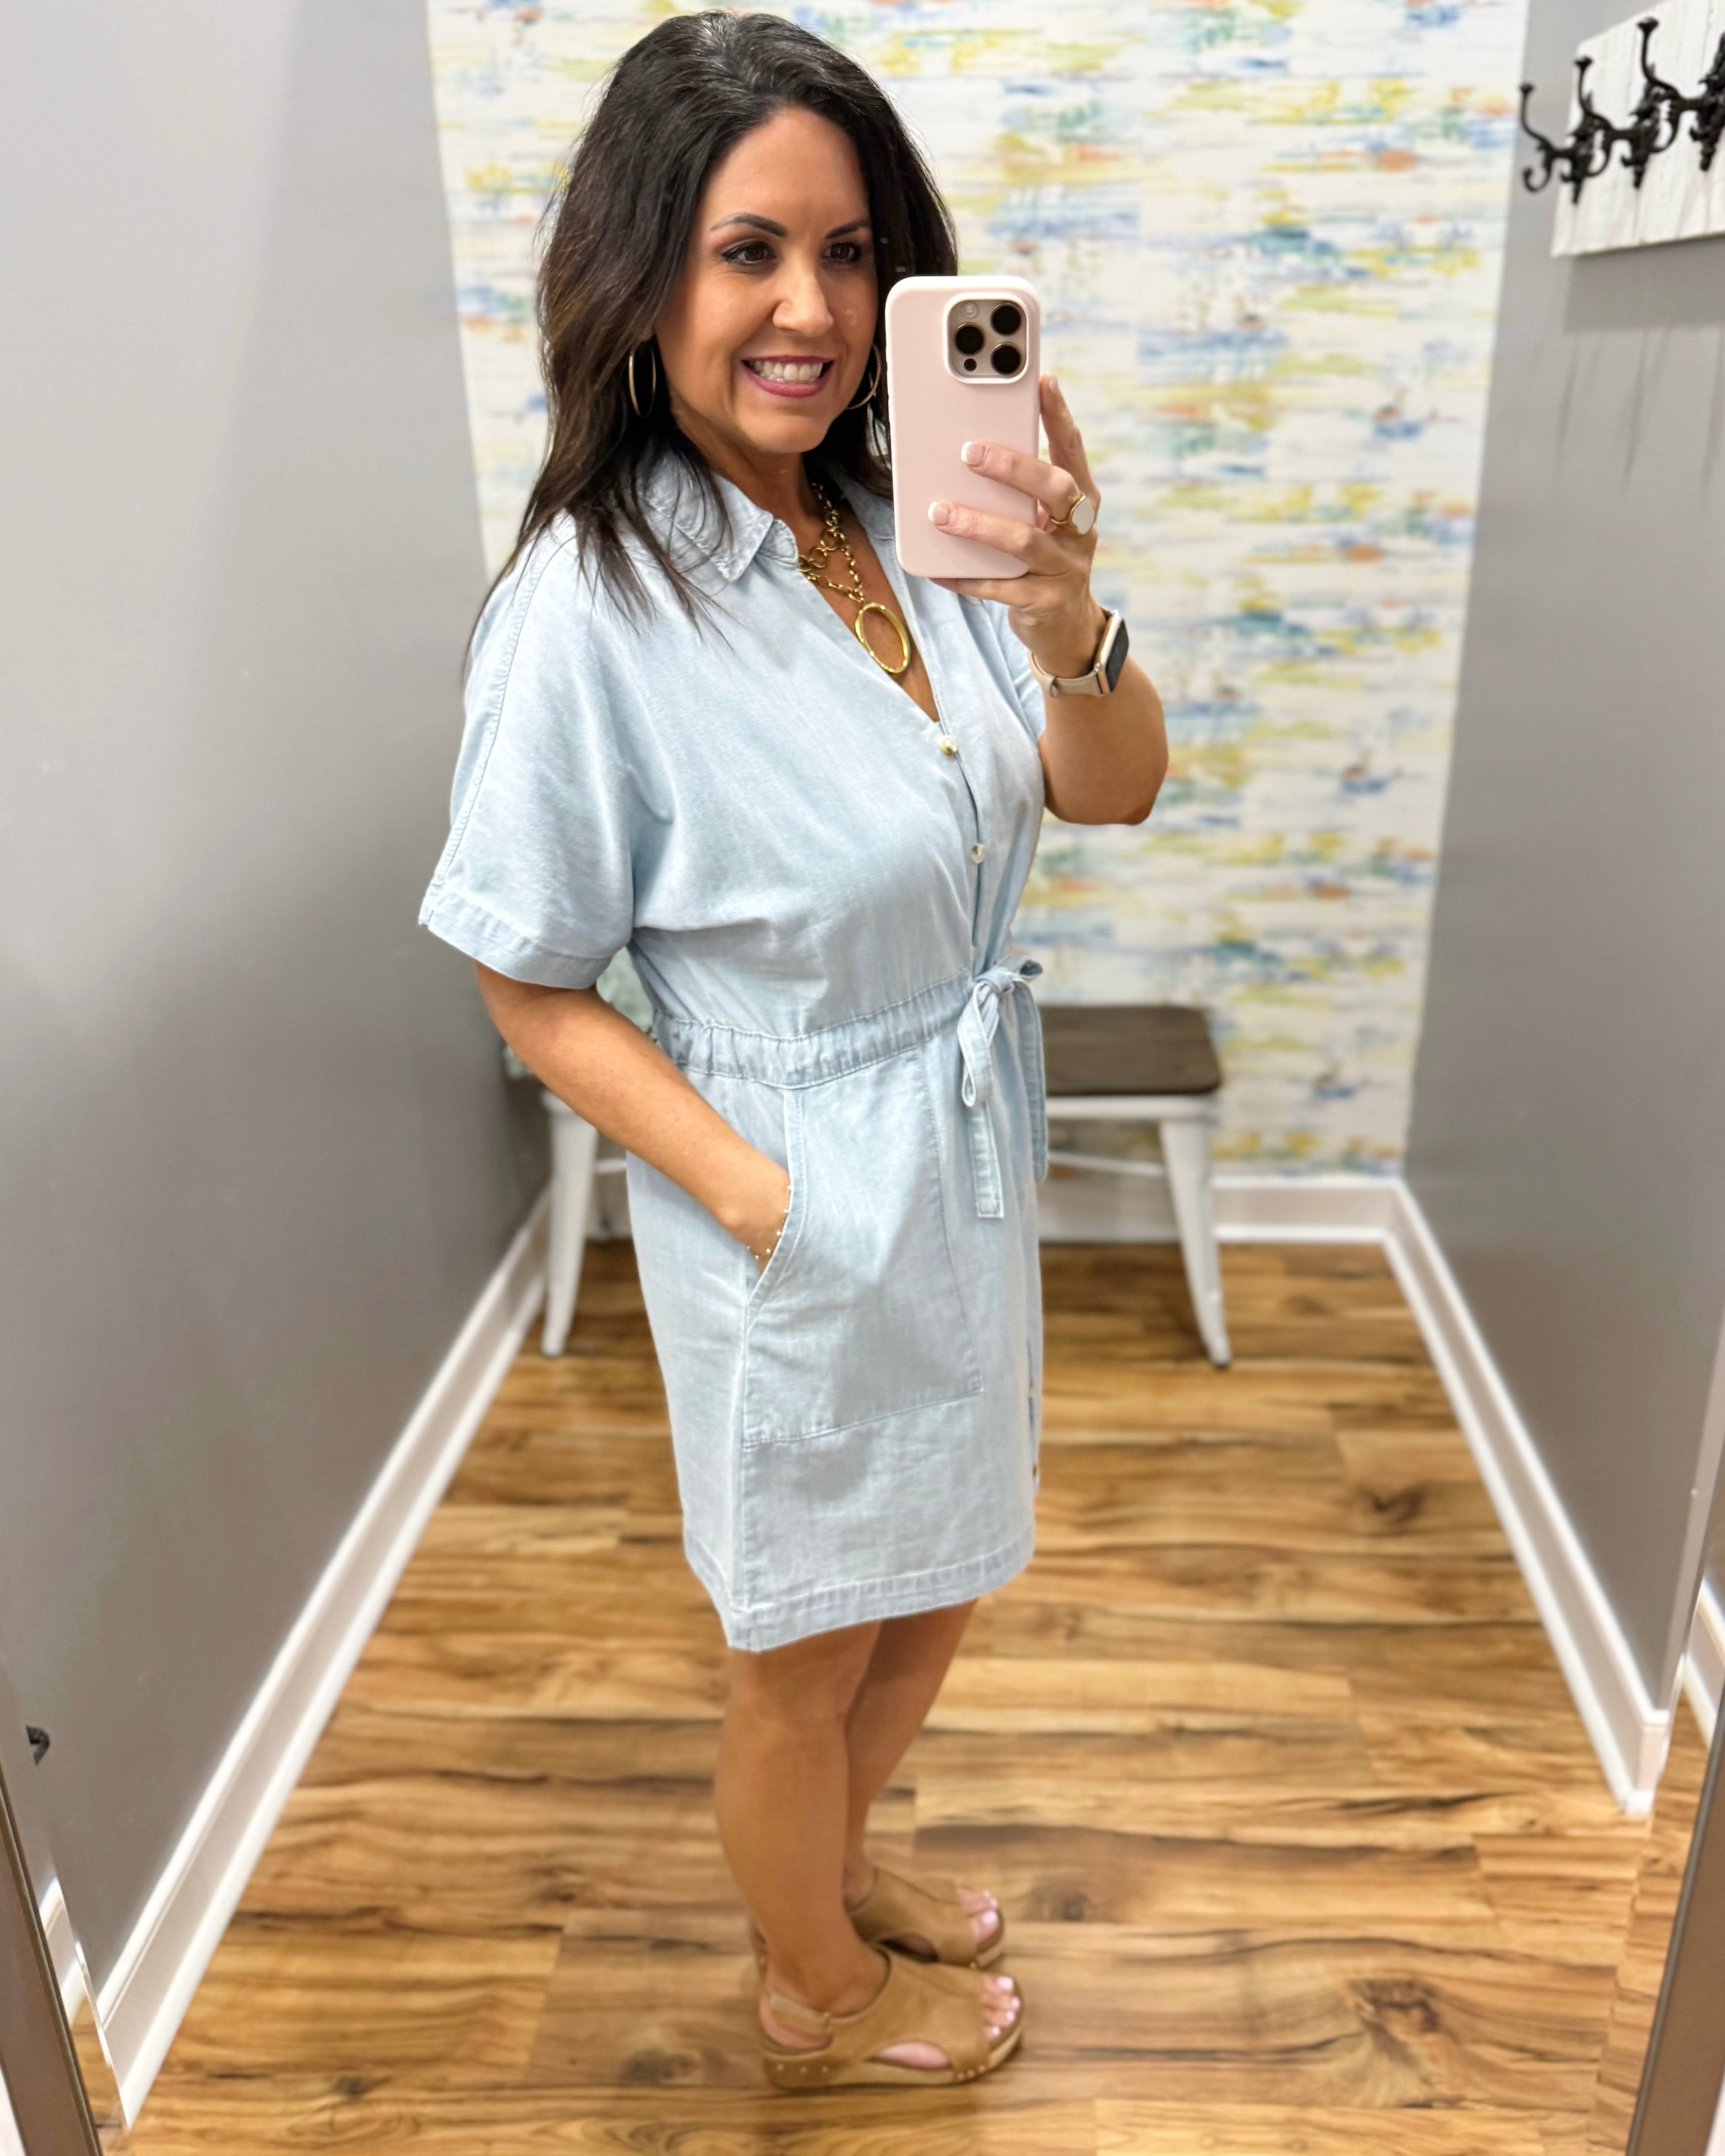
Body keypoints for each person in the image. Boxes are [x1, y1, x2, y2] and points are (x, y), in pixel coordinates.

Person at [420, 10, 1166, 2091]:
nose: (810, 310)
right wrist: (758, 1190)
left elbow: (1102, 794)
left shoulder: (904, 521)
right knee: (800, 1643)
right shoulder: (587, 612)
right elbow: (524, 980)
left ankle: (830, 1874)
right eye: (750, 251)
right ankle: (815, 1992)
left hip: (957, 1137)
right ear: (643, 269)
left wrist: (1066, 612)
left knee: (931, 1592)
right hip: (791, 1178)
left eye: (849, 257)